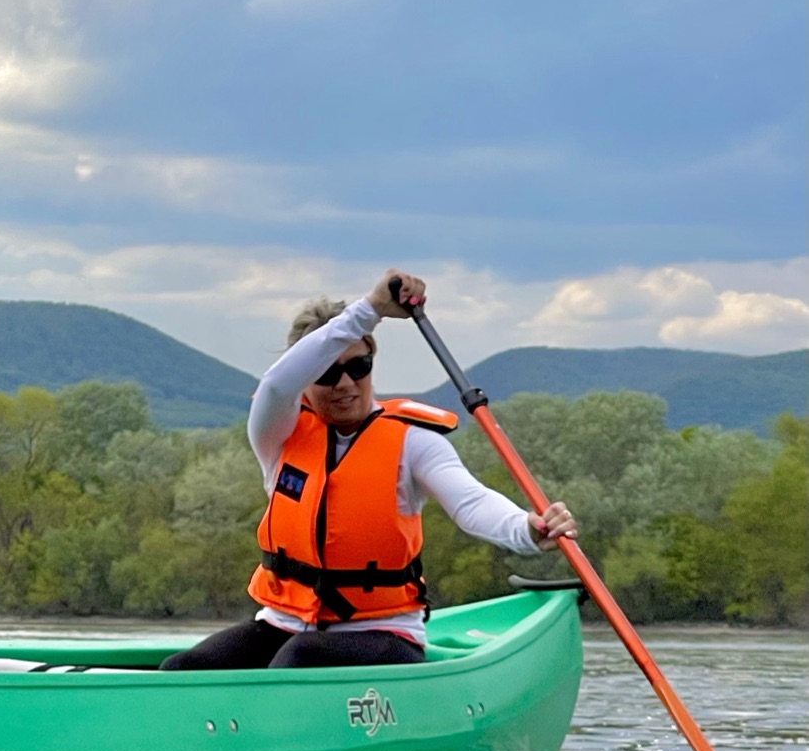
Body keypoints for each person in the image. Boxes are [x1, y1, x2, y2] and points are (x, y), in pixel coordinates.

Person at [161, 271, 576, 671]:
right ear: (304, 377)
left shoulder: (414, 443)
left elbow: (471, 502)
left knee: (298, 660)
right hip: (284, 623)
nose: (345, 383)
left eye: (358, 366)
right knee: (183, 667)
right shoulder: (277, 433)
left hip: (383, 632)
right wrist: (372, 308)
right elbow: (275, 385)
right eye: (326, 372)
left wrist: (528, 529)